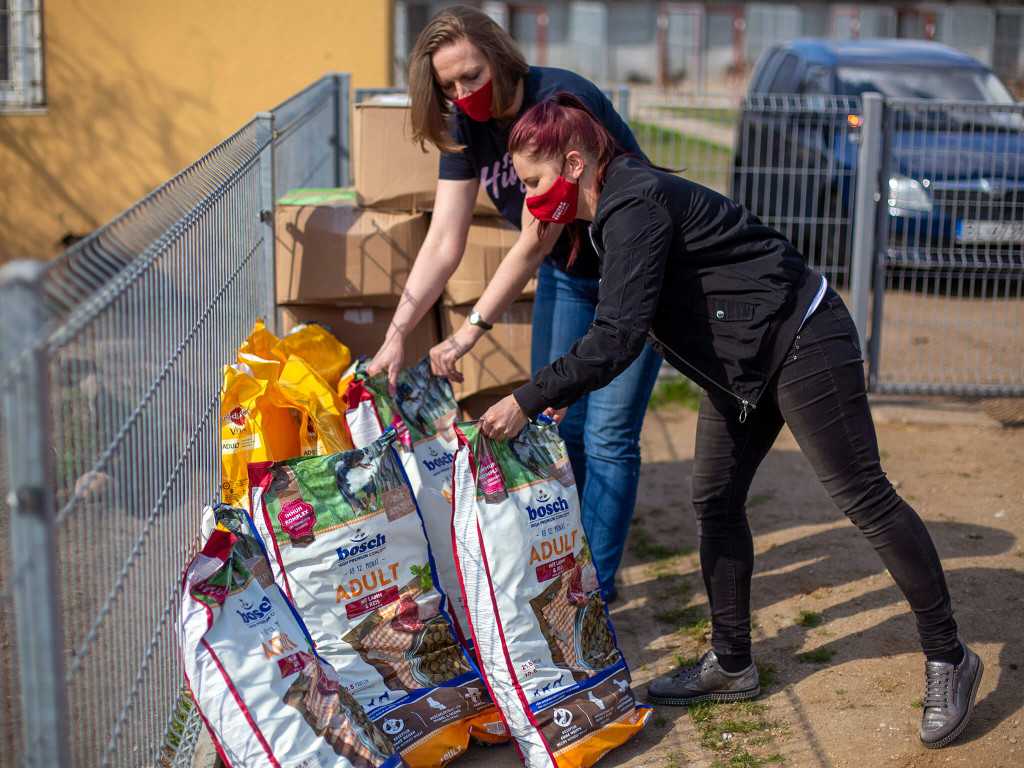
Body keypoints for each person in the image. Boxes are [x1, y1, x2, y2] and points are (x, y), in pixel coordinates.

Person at [479, 93, 983, 750]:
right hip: (739, 362)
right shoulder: (608, 214)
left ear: (573, 163)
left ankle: (950, 657)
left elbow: (620, 333)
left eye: (536, 180)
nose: (529, 195)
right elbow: (632, 321)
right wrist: (566, 383)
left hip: (801, 338)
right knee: (714, 499)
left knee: (863, 496)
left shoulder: (633, 204)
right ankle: (732, 662)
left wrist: (529, 395)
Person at [367, 5, 662, 602]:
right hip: (570, 277)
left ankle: (594, 598)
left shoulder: (560, 105)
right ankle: (568, 567)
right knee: (561, 423)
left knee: (606, 436)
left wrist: (469, 331)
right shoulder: (465, 127)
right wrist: (399, 331)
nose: (462, 92)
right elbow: (444, 239)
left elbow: (533, 240)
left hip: (635, 281)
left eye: (471, 75)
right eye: (448, 85)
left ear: (498, 56)